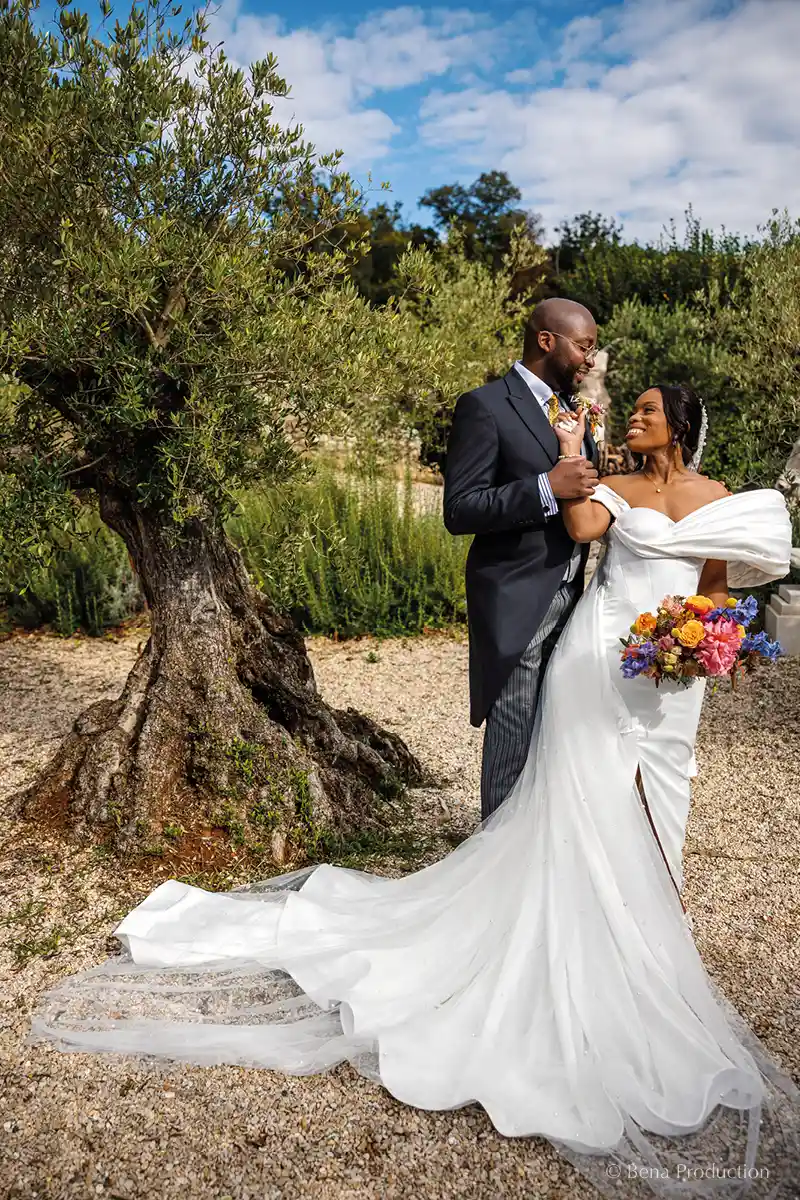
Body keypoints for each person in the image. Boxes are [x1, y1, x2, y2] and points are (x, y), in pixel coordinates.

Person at [33, 387, 798, 1197]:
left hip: (674, 678)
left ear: (680, 425)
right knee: (584, 798)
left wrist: (714, 643)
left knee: (663, 801)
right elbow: (580, 530)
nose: (636, 417)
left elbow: (717, 585)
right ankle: (585, 940)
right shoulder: (615, 482)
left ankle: (649, 939)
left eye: (648, 409)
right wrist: (576, 448)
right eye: (632, 408)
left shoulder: (720, 500)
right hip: (600, 657)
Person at [443, 297, 600, 820]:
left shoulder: (574, 413)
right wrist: (545, 488)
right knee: (512, 726)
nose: (590, 359)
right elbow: (460, 509)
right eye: (584, 346)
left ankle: (538, 848)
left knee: (555, 728)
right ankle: (495, 855)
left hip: (574, 595)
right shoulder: (484, 405)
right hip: (515, 593)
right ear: (546, 340)